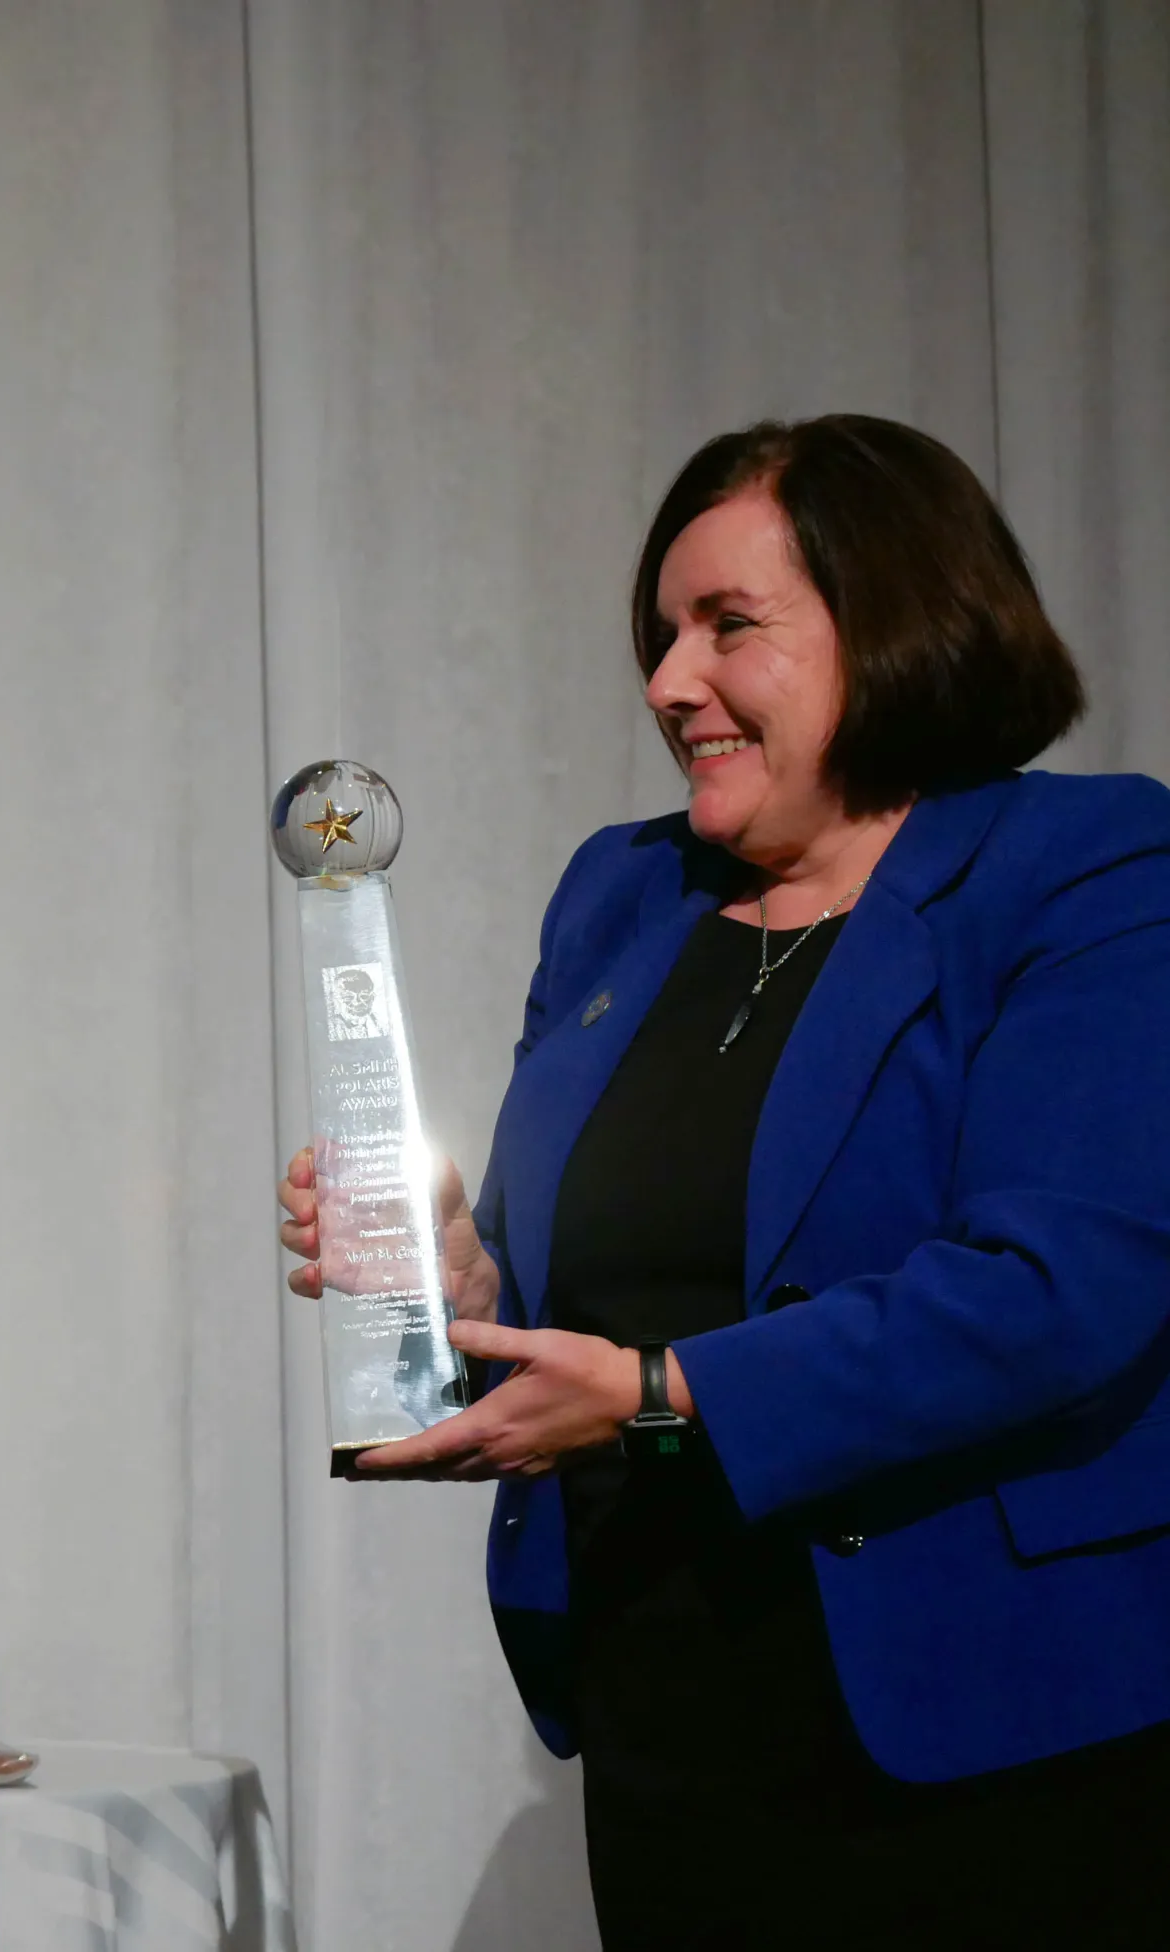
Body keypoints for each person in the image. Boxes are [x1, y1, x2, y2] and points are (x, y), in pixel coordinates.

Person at [279, 415, 1170, 1947]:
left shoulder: (1087, 870)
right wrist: (458, 1287)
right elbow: (601, 1287)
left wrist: (656, 1393)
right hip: (670, 1718)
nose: (667, 680)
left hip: (999, 1732)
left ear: (896, 624)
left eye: (728, 627)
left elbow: (1054, 1292)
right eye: (662, 633)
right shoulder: (623, 895)